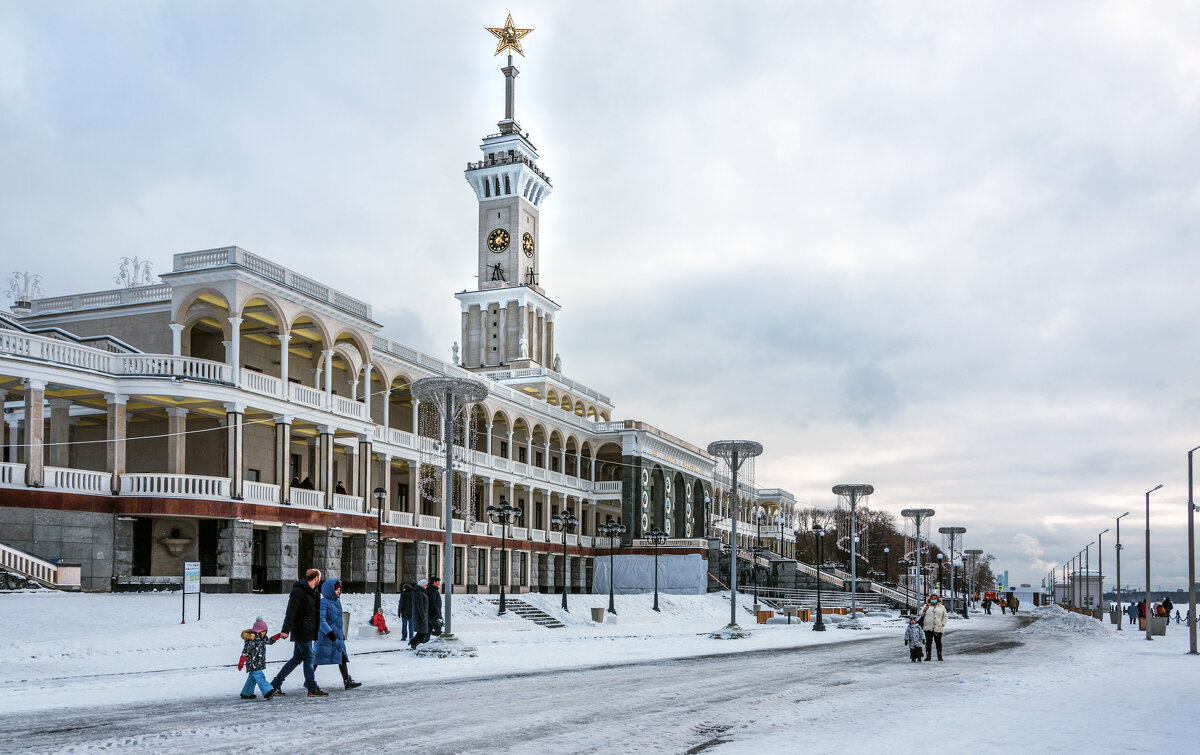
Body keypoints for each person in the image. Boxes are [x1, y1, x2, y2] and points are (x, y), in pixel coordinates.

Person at [271, 568, 327, 697]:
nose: (320, 579)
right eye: (319, 577)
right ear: (316, 578)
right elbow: (291, 612)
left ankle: (275, 684)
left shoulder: (314, 592)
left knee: (297, 658)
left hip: (308, 628)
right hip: (301, 629)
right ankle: (312, 688)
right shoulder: (299, 591)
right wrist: (285, 630)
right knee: (309, 657)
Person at [313, 578, 362, 690]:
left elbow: (338, 620)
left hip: (336, 637)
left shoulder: (337, 602)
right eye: (336, 590)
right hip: (325, 638)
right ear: (329, 590)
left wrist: (341, 634)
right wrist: (329, 632)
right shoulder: (324, 602)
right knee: (317, 658)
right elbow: (321, 620)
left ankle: (346, 681)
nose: (338, 591)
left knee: (342, 657)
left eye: (339, 589)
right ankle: (309, 679)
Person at [238, 617, 282, 699]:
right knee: (260, 677)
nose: (264, 633)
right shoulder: (251, 640)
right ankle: (268, 691)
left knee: (252, 679)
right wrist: (241, 660)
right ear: (257, 631)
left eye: (265, 632)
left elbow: (270, 641)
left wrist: (277, 636)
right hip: (252, 663)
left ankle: (246, 693)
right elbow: (246, 651)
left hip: (259, 662)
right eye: (263, 632)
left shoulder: (263, 638)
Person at [919, 593, 948, 662]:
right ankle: (928, 656)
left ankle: (939, 656)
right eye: (932, 598)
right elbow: (920, 614)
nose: (933, 600)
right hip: (928, 627)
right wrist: (924, 610)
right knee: (928, 643)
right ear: (930, 599)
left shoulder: (941, 607)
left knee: (938, 643)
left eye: (935, 598)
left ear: (938, 599)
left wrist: (942, 624)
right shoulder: (926, 606)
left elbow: (945, 616)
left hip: (938, 627)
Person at [409, 578, 430, 649]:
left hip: (421, 615)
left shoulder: (421, 592)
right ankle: (413, 643)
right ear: (422, 585)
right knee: (421, 632)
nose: (427, 586)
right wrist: (423, 616)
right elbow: (420, 606)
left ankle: (413, 643)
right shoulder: (419, 594)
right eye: (425, 585)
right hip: (420, 616)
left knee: (422, 631)